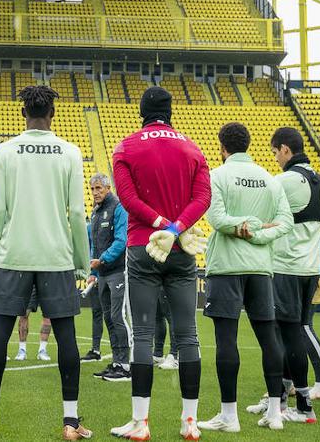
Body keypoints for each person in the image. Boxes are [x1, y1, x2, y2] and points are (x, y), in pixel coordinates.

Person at [0, 86, 91, 440]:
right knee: (67, 337)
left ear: (23, 114)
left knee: (0, 334)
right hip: (56, 256)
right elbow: (75, 212)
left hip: (14, 255)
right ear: (53, 115)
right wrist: (82, 262)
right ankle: (71, 423)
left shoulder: (5, 151)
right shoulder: (70, 152)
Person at [108, 86, 212, 441]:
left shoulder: (126, 146)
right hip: (182, 249)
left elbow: (127, 198)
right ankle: (190, 422)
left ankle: (141, 423)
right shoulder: (192, 147)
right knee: (188, 335)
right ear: (170, 112)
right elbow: (203, 197)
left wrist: (159, 226)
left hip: (143, 248)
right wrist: (177, 228)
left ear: (142, 111)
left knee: (142, 334)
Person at [198, 122, 294, 433]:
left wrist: (245, 228)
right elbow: (285, 224)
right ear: (249, 145)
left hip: (227, 266)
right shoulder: (270, 179)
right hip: (261, 268)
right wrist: (259, 234)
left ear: (222, 147)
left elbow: (217, 219)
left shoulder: (217, 175)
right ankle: (276, 413)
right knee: (269, 338)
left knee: (226, 339)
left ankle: (229, 416)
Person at [255, 126, 320, 419]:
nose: (274, 158)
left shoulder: (284, 180)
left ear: (286, 149)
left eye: (275, 152)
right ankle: (282, 400)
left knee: (286, 334)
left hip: (285, 266)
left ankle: (303, 406)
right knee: (292, 331)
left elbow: (261, 218)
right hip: (309, 268)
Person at [86, 172, 130, 382]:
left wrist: (102, 260)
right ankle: (116, 362)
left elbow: (122, 241)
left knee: (117, 317)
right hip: (102, 274)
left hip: (118, 271)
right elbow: (94, 245)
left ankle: (126, 365)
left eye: (98, 188)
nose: (95, 192)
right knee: (108, 318)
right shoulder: (95, 213)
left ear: (108, 188)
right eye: (92, 189)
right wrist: (94, 272)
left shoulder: (119, 208)